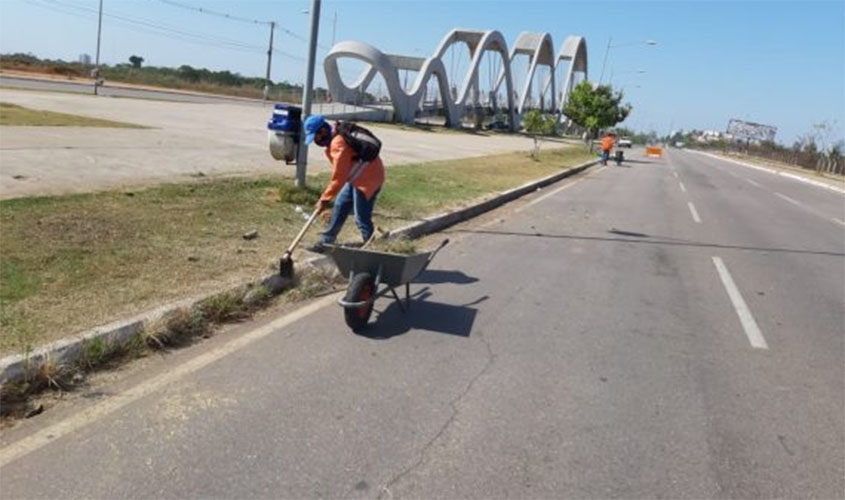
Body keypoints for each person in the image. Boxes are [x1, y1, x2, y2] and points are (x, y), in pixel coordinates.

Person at [302, 114, 385, 253]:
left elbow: (338, 177)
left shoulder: (338, 143)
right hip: (357, 178)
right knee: (340, 206)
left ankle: (372, 249)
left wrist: (324, 199)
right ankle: (326, 241)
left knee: (361, 217)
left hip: (368, 179)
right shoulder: (336, 137)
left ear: (322, 131)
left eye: (315, 136)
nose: (315, 140)